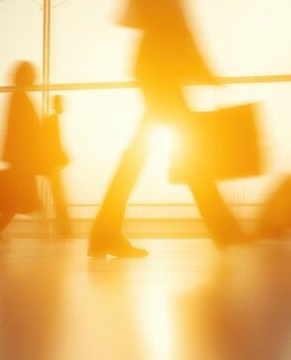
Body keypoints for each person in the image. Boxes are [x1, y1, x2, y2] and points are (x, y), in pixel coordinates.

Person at [88, 0, 248, 258]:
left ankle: (103, 233)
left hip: (153, 68)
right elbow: (182, 27)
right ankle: (225, 229)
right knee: (189, 152)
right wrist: (204, 71)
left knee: (144, 153)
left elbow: (141, 17)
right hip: (164, 70)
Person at [0, 62, 43, 241]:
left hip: (20, 156)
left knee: (17, 197)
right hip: (22, 157)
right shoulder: (20, 98)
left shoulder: (17, 97)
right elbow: (22, 130)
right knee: (18, 197)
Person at [42, 95, 73, 238]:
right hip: (53, 165)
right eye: (61, 103)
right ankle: (65, 229)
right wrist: (64, 159)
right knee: (59, 197)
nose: (63, 106)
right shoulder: (53, 120)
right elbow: (54, 144)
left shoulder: (51, 120)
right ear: (56, 104)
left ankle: (64, 229)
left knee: (58, 197)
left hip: (52, 164)